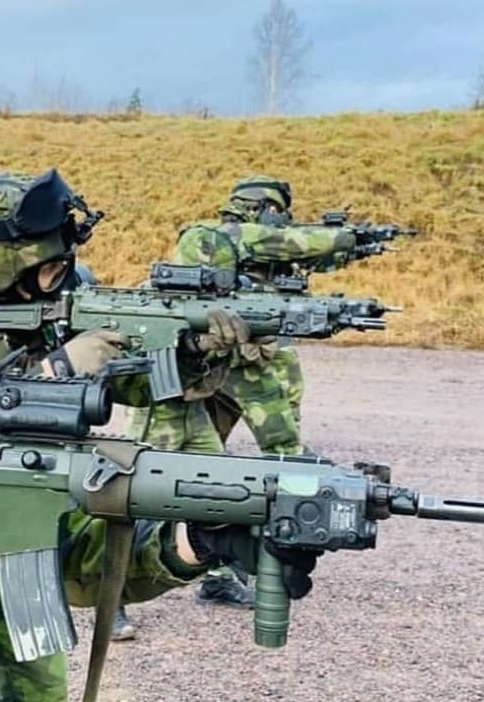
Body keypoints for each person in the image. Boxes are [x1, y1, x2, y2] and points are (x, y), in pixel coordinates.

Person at [0, 169, 287, 702]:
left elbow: (134, 385)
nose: (63, 275)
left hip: (31, 523)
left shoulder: (68, 297)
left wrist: (191, 351)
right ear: (2, 262)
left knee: (41, 697)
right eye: (49, 266)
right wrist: (59, 367)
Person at [124, 174, 356, 613]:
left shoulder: (230, 282)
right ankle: (110, 596)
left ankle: (218, 576)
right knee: (132, 495)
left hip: (196, 402)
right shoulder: (207, 253)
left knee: (216, 489)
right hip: (164, 405)